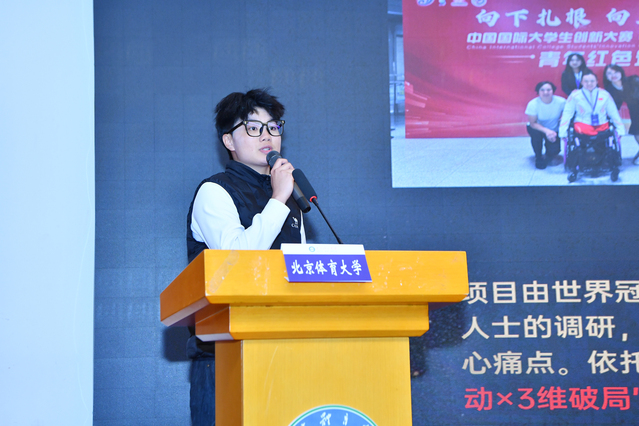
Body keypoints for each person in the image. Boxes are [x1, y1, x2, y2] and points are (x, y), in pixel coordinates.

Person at [185, 88, 306, 425]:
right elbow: (238, 261)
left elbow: (299, 273)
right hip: (225, 356)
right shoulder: (215, 191)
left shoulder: (288, 200)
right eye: (253, 128)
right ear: (229, 140)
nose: (267, 135)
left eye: (273, 127)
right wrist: (278, 199)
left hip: (285, 351)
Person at [559, 70, 626, 180]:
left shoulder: (605, 94)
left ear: (596, 81)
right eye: (586, 81)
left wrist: (620, 129)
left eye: (592, 81)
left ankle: (610, 162)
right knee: (579, 138)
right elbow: (567, 114)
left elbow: (613, 113)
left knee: (606, 139)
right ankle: (577, 162)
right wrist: (563, 132)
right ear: (581, 82)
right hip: (582, 125)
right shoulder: (575, 95)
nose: (589, 83)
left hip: (602, 125)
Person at [524, 81, 566, 169]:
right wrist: (547, 131)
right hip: (537, 128)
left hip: (553, 128)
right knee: (536, 137)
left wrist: (560, 129)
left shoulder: (561, 102)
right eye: (542, 90)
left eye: (548, 90)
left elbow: (566, 116)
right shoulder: (533, 104)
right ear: (538, 92)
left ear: (553, 91)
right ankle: (538, 156)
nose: (545, 92)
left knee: (554, 150)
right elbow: (533, 123)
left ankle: (549, 155)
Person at [603, 64, 639, 163]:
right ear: (606, 76)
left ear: (621, 72)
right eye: (609, 73)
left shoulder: (633, 80)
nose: (613, 75)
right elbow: (615, 105)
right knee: (636, 131)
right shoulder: (610, 89)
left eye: (616, 72)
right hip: (634, 110)